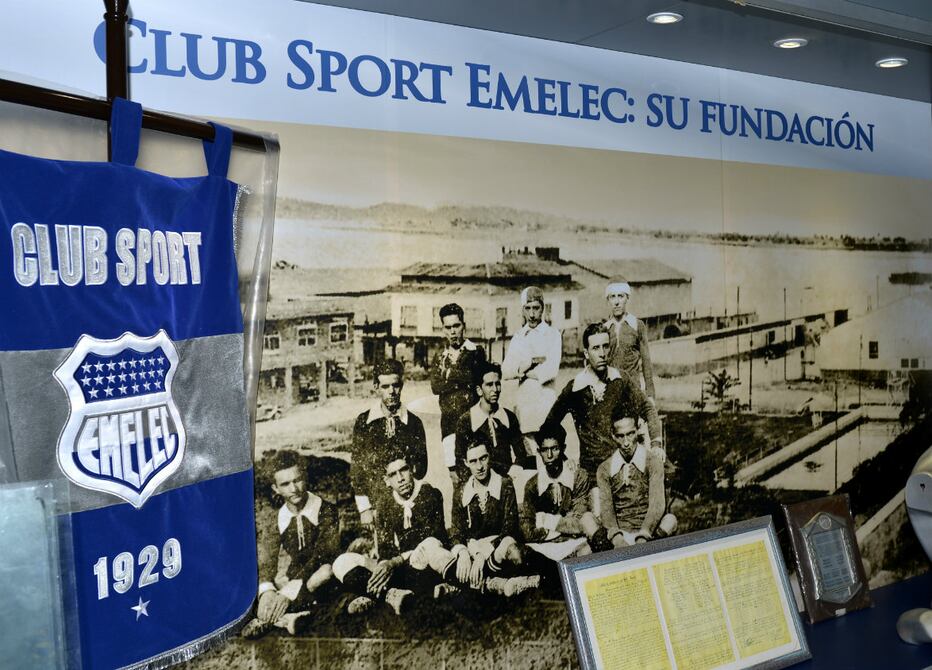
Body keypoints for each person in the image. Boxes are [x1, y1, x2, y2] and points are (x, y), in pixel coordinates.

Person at [334, 454, 456, 615]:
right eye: (393, 474)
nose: (400, 478)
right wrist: (384, 566)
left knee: (430, 546)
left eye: (403, 470)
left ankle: (375, 595)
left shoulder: (429, 494)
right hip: (399, 567)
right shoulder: (384, 504)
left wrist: (395, 561)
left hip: (423, 563)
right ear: (387, 480)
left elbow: (435, 539)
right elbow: (385, 549)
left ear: (412, 470)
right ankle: (391, 594)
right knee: (342, 562)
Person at [542, 323, 662, 481]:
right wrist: (563, 458)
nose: (602, 354)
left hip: (624, 468)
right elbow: (548, 426)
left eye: (605, 347)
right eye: (596, 348)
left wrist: (656, 444)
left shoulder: (621, 379)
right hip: (593, 474)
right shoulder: (575, 388)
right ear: (586, 353)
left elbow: (647, 407)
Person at [242, 451, 341, 638]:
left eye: (297, 480)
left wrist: (289, 592)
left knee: (324, 573)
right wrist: (267, 591)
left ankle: (276, 618)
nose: (293, 488)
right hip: (294, 576)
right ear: (276, 488)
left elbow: (324, 554)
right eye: (285, 484)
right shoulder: (278, 518)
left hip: (320, 572)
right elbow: (267, 561)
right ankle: (289, 618)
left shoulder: (326, 510)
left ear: (305, 477)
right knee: (258, 589)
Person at [350, 359, 428, 526]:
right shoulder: (364, 423)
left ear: (402, 385)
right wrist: (364, 508)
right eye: (385, 387)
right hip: (376, 506)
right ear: (376, 387)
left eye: (395, 385)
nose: (391, 391)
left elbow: (421, 469)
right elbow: (357, 469)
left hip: (407, 502)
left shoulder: (414, 423)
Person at [520, 423, 611, 560]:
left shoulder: (578, 476)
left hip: (575, 544)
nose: (549, 455)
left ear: (563, 449)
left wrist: (546, 520)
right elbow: (527, 530)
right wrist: (565, 525)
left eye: (555, 449)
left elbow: (580, 523)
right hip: (545, 547)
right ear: (539, 451)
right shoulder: (532, 485)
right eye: (544, 450)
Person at [597, 414, 677, 547]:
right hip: (620, 534)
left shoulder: (652, 462)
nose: (626, 442)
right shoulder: (604, 468)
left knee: (670, 520)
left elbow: (657, 505)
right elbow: (606, 510)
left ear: (638, 430)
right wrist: (618, 539)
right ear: (613, 435)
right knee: (588, 521)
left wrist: (643, 536)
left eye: (630, 434)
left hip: (647, 532)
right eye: (620, 436)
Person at [501, 286, 562, 458]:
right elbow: (506, 370)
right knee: (529, 455)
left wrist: (524, 371)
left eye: (536, 308)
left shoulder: (552, 335)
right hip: (525, 405)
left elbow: (551, 369)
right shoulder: (519, 337)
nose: (532, 314)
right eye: (528, 308)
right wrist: (528, 364)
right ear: (523, 310)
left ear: (543, 308)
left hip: (545, 403)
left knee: (549, 453)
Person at [430, 303, 487, 482]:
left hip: (474, 424)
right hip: (449, 425)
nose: (453, 331)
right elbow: (435, 387)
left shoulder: (476, 352)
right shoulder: (440, 357)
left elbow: (474, 378)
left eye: (456, 326)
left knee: (480, 475)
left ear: (464, 326)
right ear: (443, 329)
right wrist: (460, 380)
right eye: (448, 327)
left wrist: (448, 375)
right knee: (457, 480)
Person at [454, 361, 528, 481]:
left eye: (497, 384)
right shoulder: (466, 420)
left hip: (506, 481)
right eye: (489, 385)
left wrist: (513, 474)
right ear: (479, 390)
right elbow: (460, 461)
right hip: (478, 481)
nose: (495, 389)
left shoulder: (509, 417)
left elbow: (521, 454)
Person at [604, 278, 656, 399]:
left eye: (620, 296)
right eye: (612, 297)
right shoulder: (605, 329)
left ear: (627, 298)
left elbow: (646, 362)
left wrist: (650, 394)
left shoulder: (637, 325)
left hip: (633, 392)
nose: (617, 302)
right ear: (608, 300)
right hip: (611, 393)